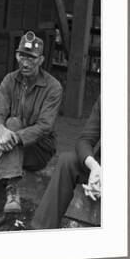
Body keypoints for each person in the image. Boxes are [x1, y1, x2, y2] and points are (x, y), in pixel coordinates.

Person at [0, 31, 63, 232]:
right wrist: (0, 129)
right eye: (22, 56)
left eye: (31, 57)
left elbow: (44, 127)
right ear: (16, 56)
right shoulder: (9, 80)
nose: (25, 62)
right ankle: (10, 197)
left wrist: (11, 137)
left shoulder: (53, 87)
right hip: (13, 147)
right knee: (3, 136)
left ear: (40, 60)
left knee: (8, 134)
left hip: (39, 149)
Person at [31, 97, 101, 229]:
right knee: (67, 161)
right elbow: (85, 139)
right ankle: (42, 230)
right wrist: (94, 167)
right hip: (102, 167)